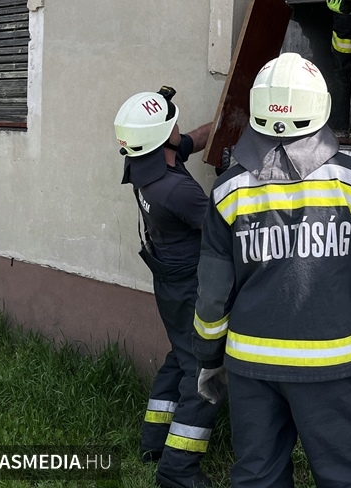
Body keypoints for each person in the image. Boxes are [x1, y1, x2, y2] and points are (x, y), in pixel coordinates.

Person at [192, 53, 351, 487]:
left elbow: (213, 293)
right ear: (321, 107)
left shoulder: (227, 190)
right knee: (349, 477)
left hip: (251, 366)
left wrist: (208, 357)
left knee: (258, 477)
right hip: (330, 366)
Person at [114, 86, 222, 488]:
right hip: (190, 286)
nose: (180, 125)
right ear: (163, 137)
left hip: (169, 283)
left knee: (181, 354)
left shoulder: (145, 163)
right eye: (172, 122)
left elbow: (194, 138)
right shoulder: (176, 190)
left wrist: (233, 120)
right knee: (204, 372)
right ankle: (178, 468)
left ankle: (154, 440)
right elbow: (224, 231)